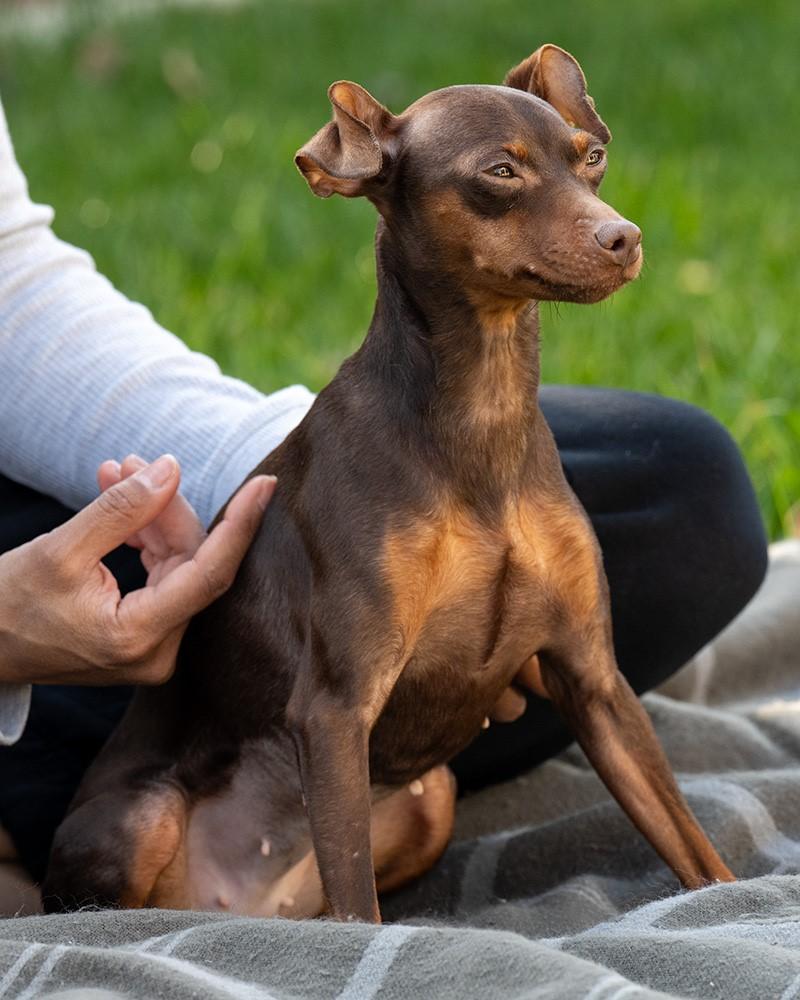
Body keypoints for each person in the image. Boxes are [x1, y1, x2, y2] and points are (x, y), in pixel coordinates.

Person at [0, 96, 768, 914]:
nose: (610, 222)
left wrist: (281, 487)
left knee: (684, 493)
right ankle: (51, 788)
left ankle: (331, 725)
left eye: (584, 167)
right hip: (172, 760)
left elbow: (12, 283)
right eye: (502, 175)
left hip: (122, 529)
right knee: (288, 708)